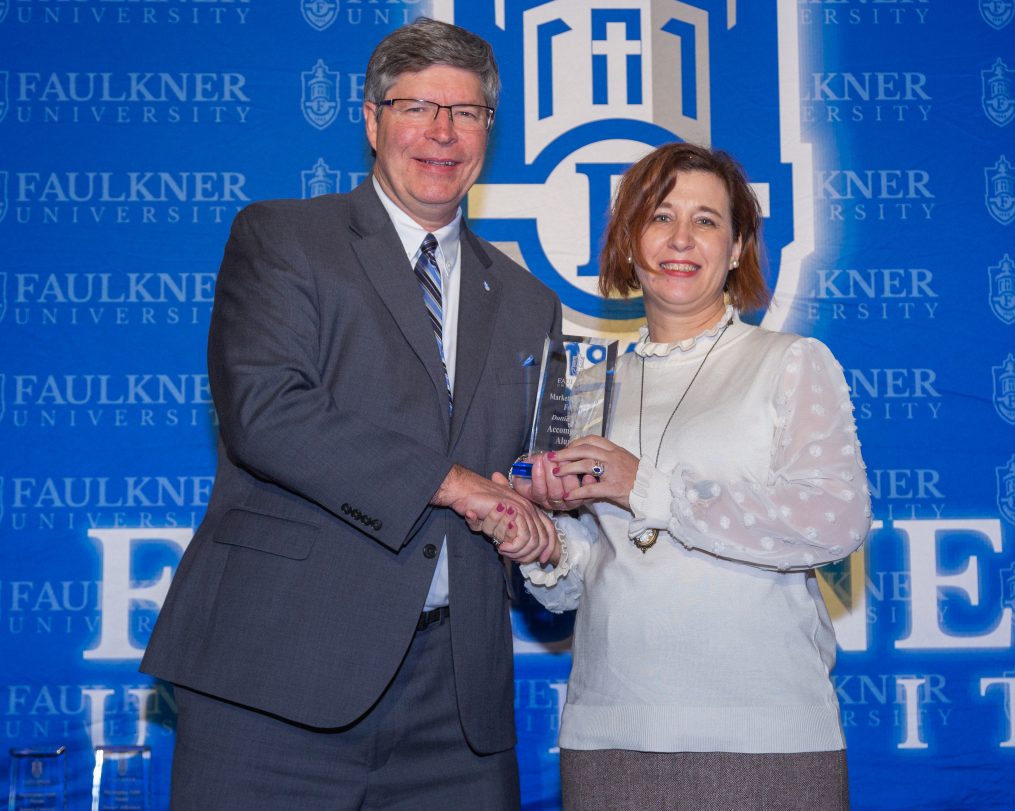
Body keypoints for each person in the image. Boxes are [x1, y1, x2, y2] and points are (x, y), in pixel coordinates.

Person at [141, 18, 561, 810]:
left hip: (457, 708)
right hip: (277, 682)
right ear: (371, 120)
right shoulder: (284, 238)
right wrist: (457, 484)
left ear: (488, 132)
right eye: (416, 107)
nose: (442, 133)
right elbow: (267, 411)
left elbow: (526, 472)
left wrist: (546, 509)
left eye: (466, 113)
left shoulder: (529, 302)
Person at [514, 142, 872, 811]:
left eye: (706, 220)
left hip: (765, 736)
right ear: (629, 237)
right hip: (610, 731)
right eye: (660, 216)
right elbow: (582, 583)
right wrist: (538, 539)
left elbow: (834, 521)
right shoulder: (587, 384)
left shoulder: (790, 360)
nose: (681, 239)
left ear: (737, 248)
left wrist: (643, 486)